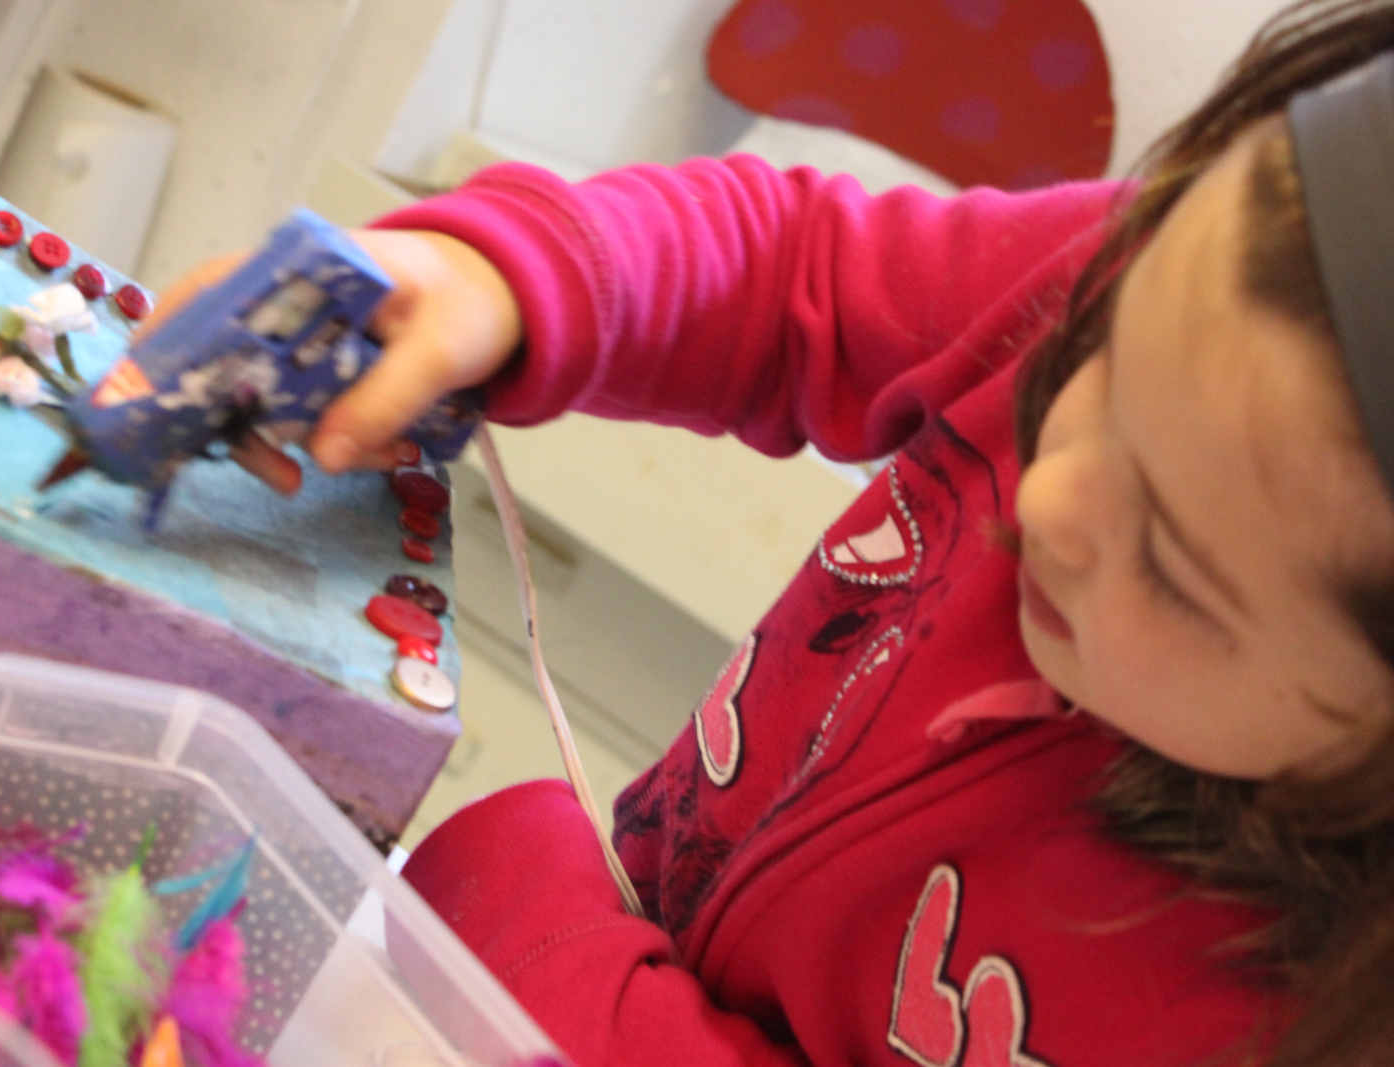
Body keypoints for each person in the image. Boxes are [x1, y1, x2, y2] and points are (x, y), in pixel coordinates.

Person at [154, 1, 1394, 1063]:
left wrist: (532, 938)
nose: (1042, 498)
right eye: (1097, 359)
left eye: (1173, 566)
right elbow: (797, 269)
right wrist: (513, 277)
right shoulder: (1176, 274)